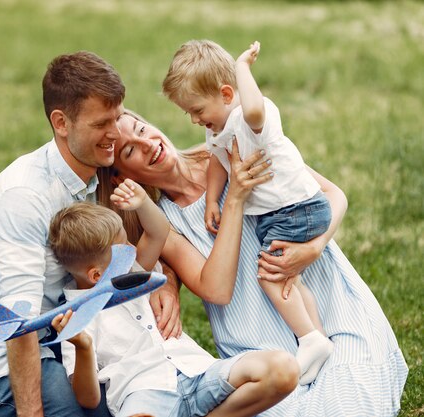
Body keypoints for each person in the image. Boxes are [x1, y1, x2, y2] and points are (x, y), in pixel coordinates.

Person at [97, 109, 408, 416]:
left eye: (140, 130)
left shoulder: (227, 149)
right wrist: (234, 199)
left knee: (355, 401)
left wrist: (314, 247)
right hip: (254, 334)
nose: (148, 144)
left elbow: (332, 194)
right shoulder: (161, 221)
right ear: (123, 176)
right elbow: (216, 290)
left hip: (320, 298)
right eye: (130, 150)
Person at [0, 51, 179, 417]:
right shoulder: (24, 197)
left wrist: (166, 281)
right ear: (61, 122)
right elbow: (18, 323)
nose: (116, 133)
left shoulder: (100, 173)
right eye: (101, 124)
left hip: (58, 342)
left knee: (151, 397)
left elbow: (151, 238)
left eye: (118, 117)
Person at [161, 39, 333, 385]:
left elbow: (253, 108)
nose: (195, 120)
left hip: (296, 209)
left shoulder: (248, 117)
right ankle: (317, 338)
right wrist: (212, 200)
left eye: (197, 110)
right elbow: (218, 164)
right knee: (290, 279)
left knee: (271, 275)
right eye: (189, 114)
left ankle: (310, 340)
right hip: (283, 213)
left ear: (227, 94)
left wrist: (242, 69)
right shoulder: (218, 130)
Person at [47, 179, 298, 417]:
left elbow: (158, 231)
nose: (134, 250)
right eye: (125, 249)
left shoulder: (133, 272)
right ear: (96, 275)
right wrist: (83, 346)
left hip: (197, 372)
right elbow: (88, 399)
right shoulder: (76, 319)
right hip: (145, 393)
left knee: (283, 369)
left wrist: (142, 201)